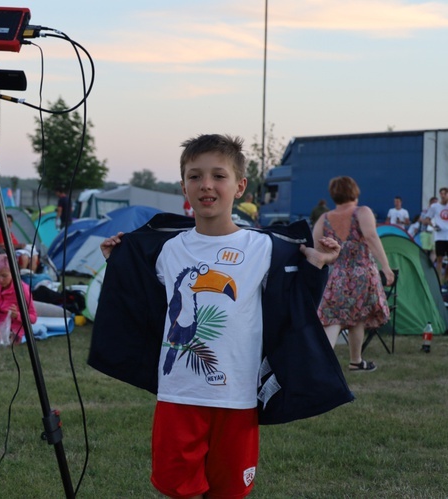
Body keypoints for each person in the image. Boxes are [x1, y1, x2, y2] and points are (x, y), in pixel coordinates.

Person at [92, 134, 350, 499]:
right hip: (179, 394)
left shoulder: (264, 248)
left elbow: (295, 301)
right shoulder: (167, 250)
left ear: (240, 186)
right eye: (195, 176)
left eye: (218, 175)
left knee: (229, 491)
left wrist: (319, 264)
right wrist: (117, 262)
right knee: (182, 489)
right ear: (183, 186)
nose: (206, 185)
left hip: (236, 397)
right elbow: (141, 302)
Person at [314, 176, 394, 372]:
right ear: (354, 191)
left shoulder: (323, 219)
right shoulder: (362, 212)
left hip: (338, 274)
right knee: (354, 316)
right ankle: (328, 363)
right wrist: (386, 266)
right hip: (362, 273)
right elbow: (371, 237)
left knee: (336, 317)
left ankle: (353, 361)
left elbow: (317, 248)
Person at [0, 254, 40, 345]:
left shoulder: (22, 290)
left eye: (4, 276)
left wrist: (18, 315)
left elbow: (33, 318)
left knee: (3, 341)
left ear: (14, 273)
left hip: (15, 330)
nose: (0, 279)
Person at [424, 187, 448, 284]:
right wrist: (434, 226)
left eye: (444, 194)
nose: (442, 196)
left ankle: (445, 278)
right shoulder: (435, 206)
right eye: (441, 194)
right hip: (440, 236)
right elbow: (427, 219)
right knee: (439, 259)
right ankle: (439, 280)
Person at [417, 196, 438, 262]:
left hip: (435, 233)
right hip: (425, 232)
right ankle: (424, 264)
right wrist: (431, 223)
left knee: (434, 250)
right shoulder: (426, 210)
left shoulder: (438, 211)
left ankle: (431, 266)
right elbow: (423, 221)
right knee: (425, 250)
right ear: (431, 203)